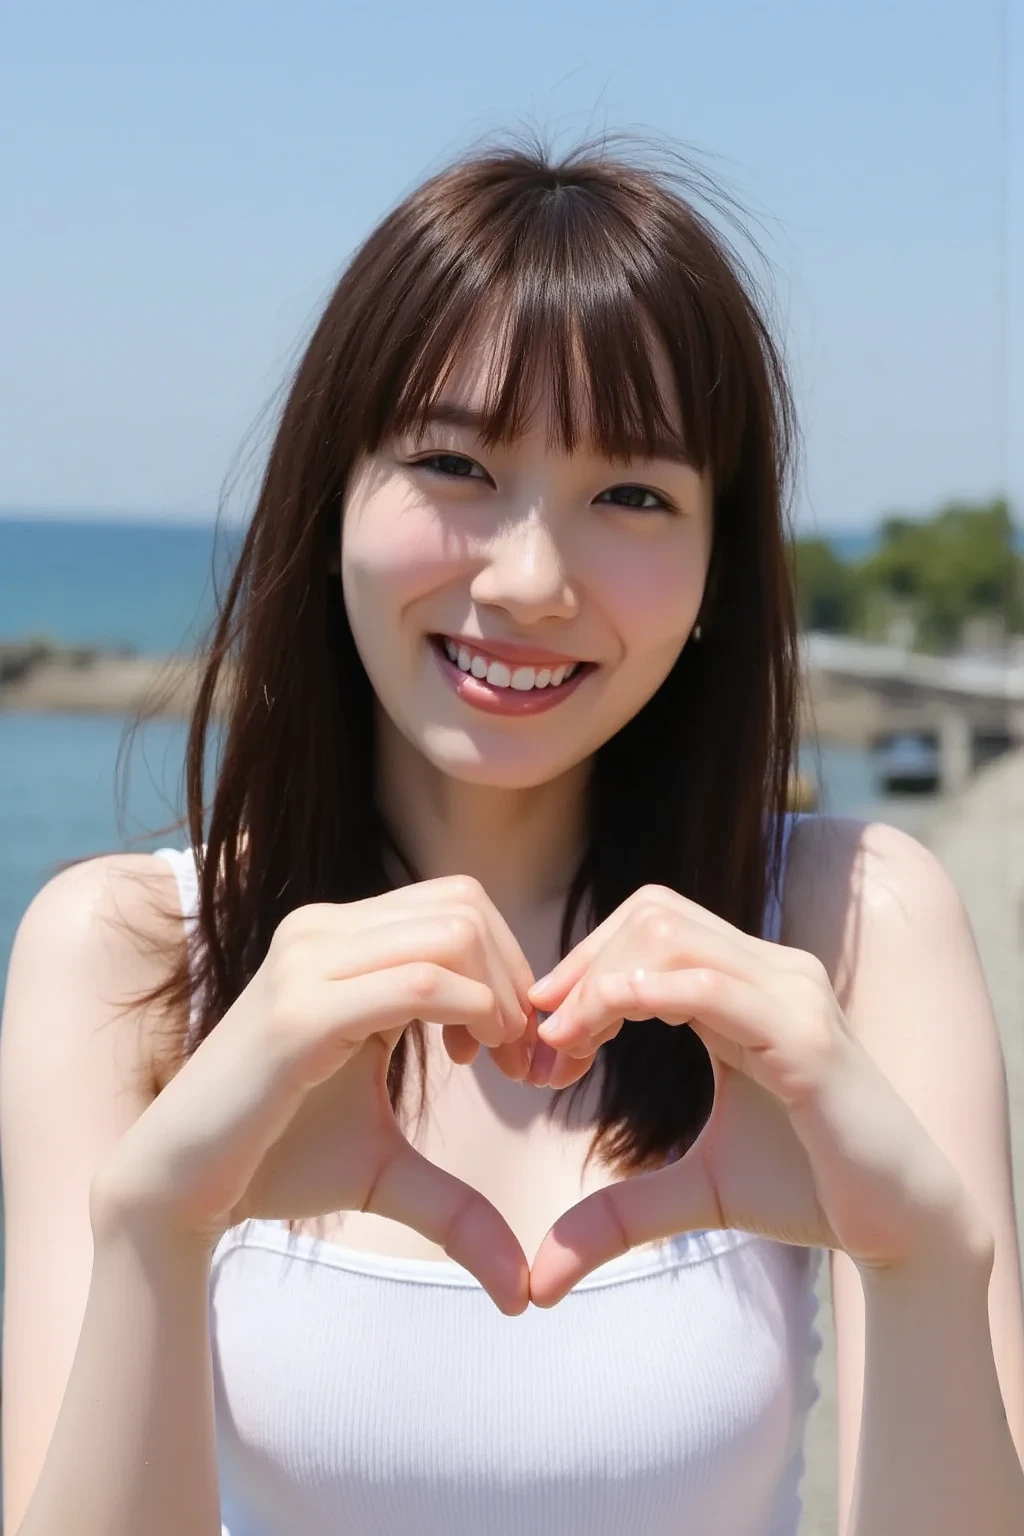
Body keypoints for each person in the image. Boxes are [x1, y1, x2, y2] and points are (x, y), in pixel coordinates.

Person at [2, 135, 1023, 1536]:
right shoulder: (125, 956)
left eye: (632, 495)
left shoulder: (850, 929)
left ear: (723, 562)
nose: (530, 579)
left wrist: (926, 1263)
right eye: (455, 464)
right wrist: (158, 1236)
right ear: (330, 499)